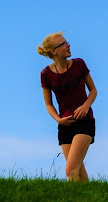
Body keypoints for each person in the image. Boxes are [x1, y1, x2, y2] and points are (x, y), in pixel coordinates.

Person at [38, 32, 98, 182]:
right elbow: (48, 104)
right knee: (78, 172)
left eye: (67, 42)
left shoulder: (79, 64)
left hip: (84, 122)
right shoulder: (45, 74)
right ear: (54, 51)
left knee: (70, 170)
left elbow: (93, 90)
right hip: (65, 125)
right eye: (63, 44)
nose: (68, 45)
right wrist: (59, 120)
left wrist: (85, 106)